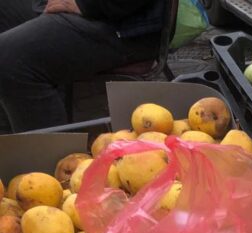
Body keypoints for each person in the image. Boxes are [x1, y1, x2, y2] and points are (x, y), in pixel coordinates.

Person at [0, 0, 164, 133]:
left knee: (10, 57)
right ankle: (10, 147)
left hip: (125, 22)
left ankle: (47, 167)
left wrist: (85, 5)